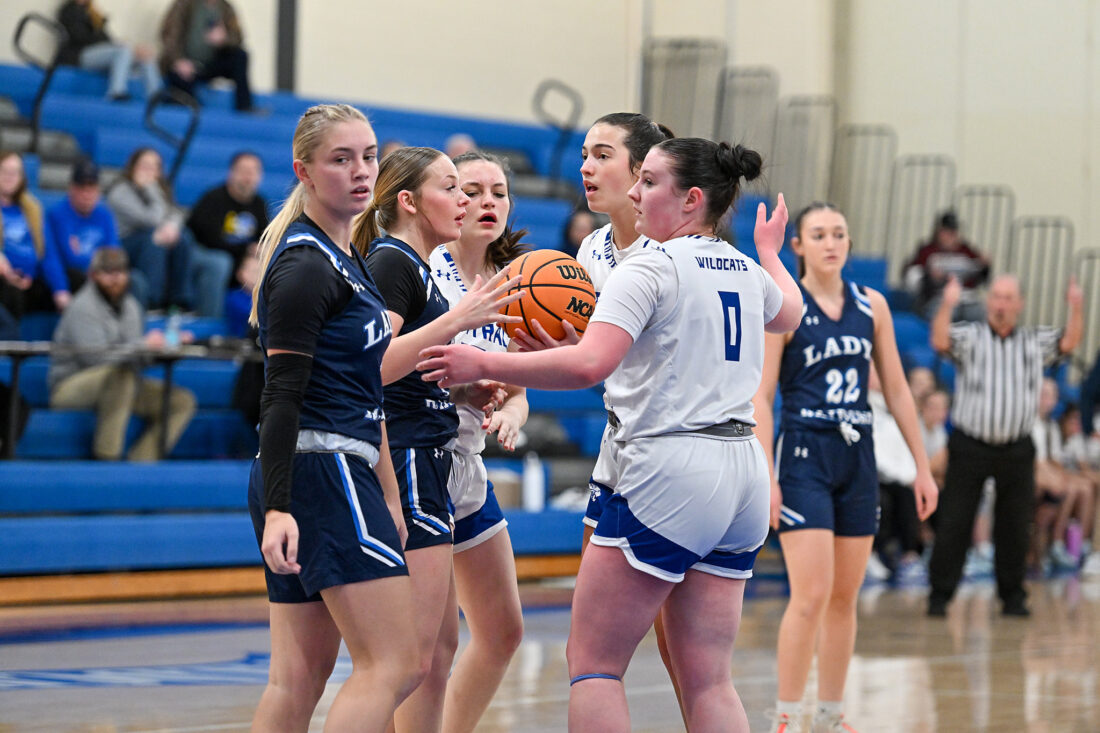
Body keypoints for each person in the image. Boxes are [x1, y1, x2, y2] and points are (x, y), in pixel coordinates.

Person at [419, 138, 804, 733]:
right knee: (709, 677)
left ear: (690, 199)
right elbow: (791, 313)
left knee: (594, 665)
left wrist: (484, 363)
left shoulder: (649, 265)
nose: (635, 193)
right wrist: (771, 253)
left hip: (674, 466)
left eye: (649, 182)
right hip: (741, 471)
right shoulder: (743, 267)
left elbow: (588, 366)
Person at [245, 103, 421, 732]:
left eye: (368, 156)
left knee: (298, 677)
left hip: (339, 470)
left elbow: (366, 386)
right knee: (396, 663)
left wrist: (390, 493)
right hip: (321, 471)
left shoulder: (346, 258)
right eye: (341, 159)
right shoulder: (305, 265)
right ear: (305, 171)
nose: (361, 170)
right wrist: (277, 508)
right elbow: (279, 396)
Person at [353, 146, 522, 732]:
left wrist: (478, 392)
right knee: (407, 660)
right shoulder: (400, 261)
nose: (474, 202)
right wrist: (457, 322)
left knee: (440, 649)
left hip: (448, 453)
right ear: (410, 200)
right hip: (414, 455)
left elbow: (424, 369)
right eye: (458, 189)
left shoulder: (437, 267)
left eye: (496, 192)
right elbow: (372, 367)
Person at [752, 202, 938, 733]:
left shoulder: (872, 305)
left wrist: (923, 467)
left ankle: (831, 717)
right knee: (810, 595)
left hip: (857, 456)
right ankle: (787, 717)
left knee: (843, 598)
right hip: (805, 456)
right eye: (818, 234)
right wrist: (767, 475)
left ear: (849, 243)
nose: (831, 242)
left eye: (839, 233)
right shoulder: (785, 305)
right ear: (798, 246)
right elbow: (761, 396)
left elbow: (897, 389)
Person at [427, 150, 527, 733]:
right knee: (425, 650)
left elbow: (518, 387)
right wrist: (462, 389)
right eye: (473, 189)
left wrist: (511, 411)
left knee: (502, 631)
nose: (488, 201)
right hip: (420, 461)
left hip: (469, 465)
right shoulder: (424, 266)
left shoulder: (516, 282)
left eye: (499, 191)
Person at [926, 273, 1082, 617]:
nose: (1001, 304)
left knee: (1015, 524)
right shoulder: (971, 336)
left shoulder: (1033, 341)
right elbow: (939, 341)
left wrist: (1076, 307)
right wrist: (948, 304)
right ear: (988, 302)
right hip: (970, 444)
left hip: (1016, 447)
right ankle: (940, 594)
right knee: (955, 520)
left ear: (1019, 304)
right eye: (996, 296)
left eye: (1008, 298)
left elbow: (1069, 343)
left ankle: (1013, 596)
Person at [48, 247, 196, 461]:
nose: (116, 279)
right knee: (121, 376)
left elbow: (136, 358)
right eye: (108, 273)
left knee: (180, 401)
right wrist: (142, 345)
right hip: (70, 385)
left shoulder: (131, 307)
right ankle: (108, 459)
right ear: (93, 275)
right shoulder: (81, 307)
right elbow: (95, 358)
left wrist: (164, 349)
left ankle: (141, 464)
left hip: (123, 383)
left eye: (120, 272)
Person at [107, 147, 232, 316]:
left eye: (154, 167)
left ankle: (180, 301)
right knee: (154, 241)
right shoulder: (120, 192)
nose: (149, 172)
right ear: (133, 167)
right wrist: (151, 189)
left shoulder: (161, 190)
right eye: (144, 166)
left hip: (152, 237)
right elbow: (151, 219)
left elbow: (176, 214)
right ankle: (152, 302)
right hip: (126, 244)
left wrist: (172, 228)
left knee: (183, 237)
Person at [45, 158, 153, 305]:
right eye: (81, 188)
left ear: (98, 191)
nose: (86, 194)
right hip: (75, 276)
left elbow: (113, 252)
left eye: (91, 188)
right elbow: (57, 257)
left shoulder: (105, 215)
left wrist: (108, 273)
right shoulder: (57, 215)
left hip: (101, 272)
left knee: (136, 281)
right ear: (71, 189)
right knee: (80, 277)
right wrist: (60, 289)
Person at [0, 150, 69, 318]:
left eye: (15, 172)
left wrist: (61, 290)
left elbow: (48, 253)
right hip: (4, 280)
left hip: (31, 280)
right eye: (4, 171)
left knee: (76, 280)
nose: (10, 177)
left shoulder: (32, 209)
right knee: (11, 294)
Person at [186, 151, 270, 281]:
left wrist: (255, 257)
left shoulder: (260, 203)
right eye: (244, 171)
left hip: (242, 260)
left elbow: (264, 238)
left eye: (253, 172)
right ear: (231, 172)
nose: (248, 178)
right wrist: (246, 252)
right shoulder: (213, 199)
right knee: (221, 262)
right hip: (206, 254)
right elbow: (210, 240)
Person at [159, 0, 255, 112]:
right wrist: (178, 60)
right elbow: (169, 34)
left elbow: (238, 38)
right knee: (177, 82)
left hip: (210, 65)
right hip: (186, 65)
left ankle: (244, 107)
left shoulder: (226, 8)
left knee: (240, 56)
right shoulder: (184, 4)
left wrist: (225, 39)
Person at [56, 0, 160, 101]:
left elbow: (106, 38)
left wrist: (126, 46)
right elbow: (80, 37)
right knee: (123, 50)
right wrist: (115, 45)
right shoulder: (69, 10)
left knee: (145, 55)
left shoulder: (93, 12)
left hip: (99, 52)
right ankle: (116, 92)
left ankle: (155, 96)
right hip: (80, 54)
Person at [903, 211, 989, 322]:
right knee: (947, 312)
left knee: (980, 312)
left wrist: (985, 266)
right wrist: (930, 277)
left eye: (953, 233)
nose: (949, 237)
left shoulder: (966, 250)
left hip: (966, 300)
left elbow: (981, 278)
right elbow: (910, 277)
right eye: (946, 232)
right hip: (937, 299)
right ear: (938, 232)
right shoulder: (927, 251)